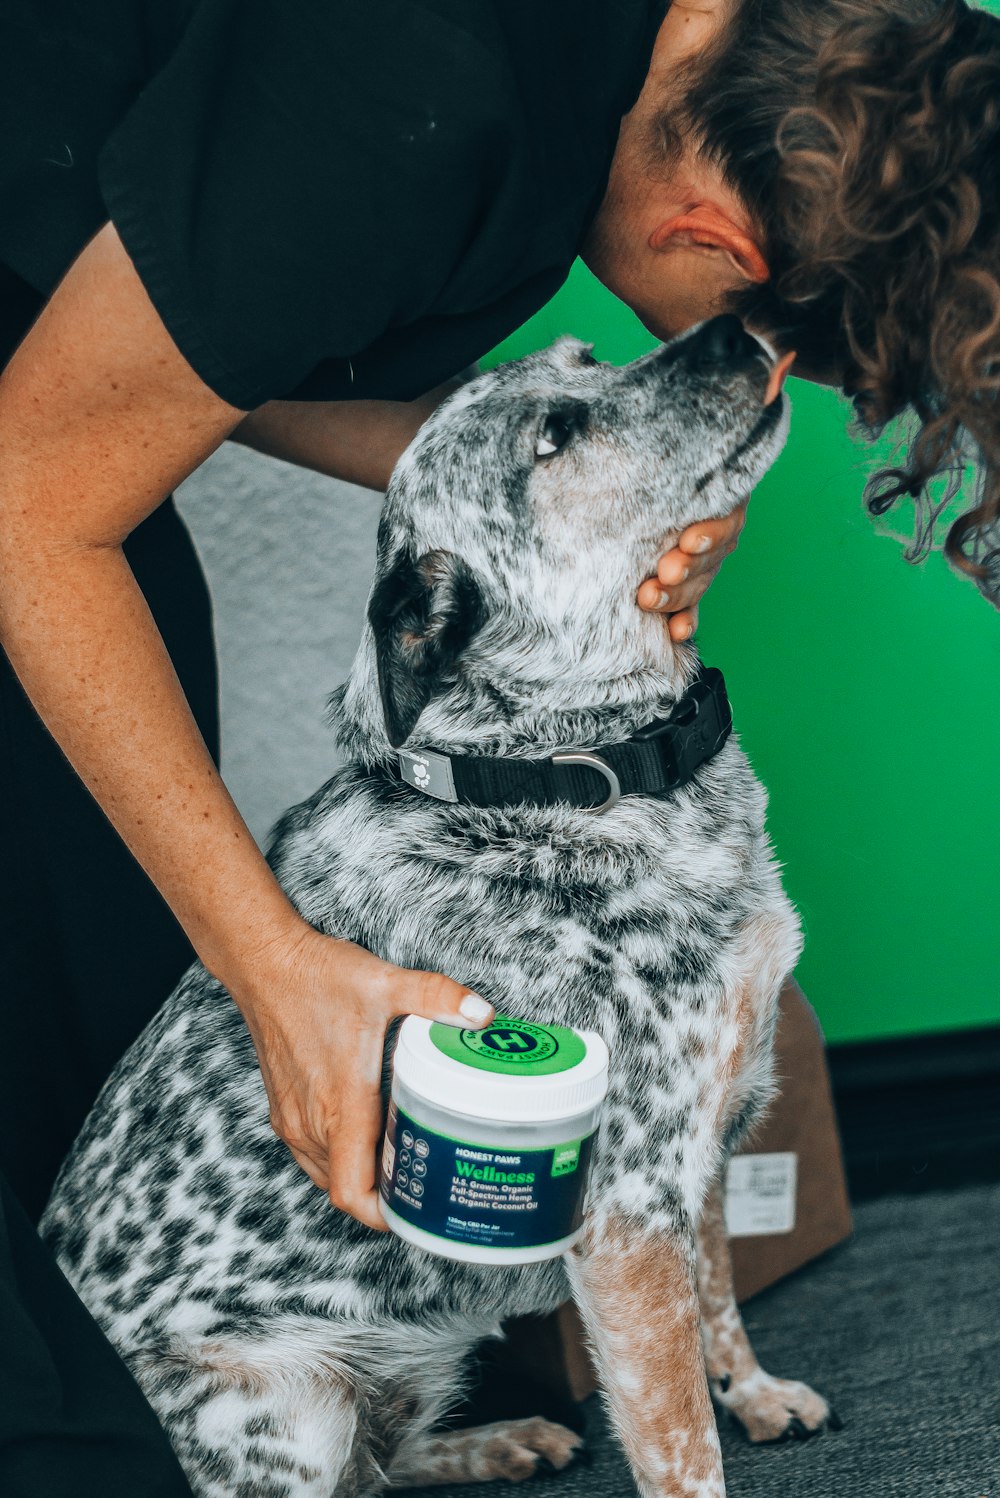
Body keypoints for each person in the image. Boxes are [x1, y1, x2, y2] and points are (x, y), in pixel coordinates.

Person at [0, 0, 996, 1492]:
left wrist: (554, 516)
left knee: (84, 1007)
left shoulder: (588, 73)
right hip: (25, 469)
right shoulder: (420, 81)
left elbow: (211, 342)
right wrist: (272, 969)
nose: (750, 376)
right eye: (778, 345)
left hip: (46, 378)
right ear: (723, 244)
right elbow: (33, 500)